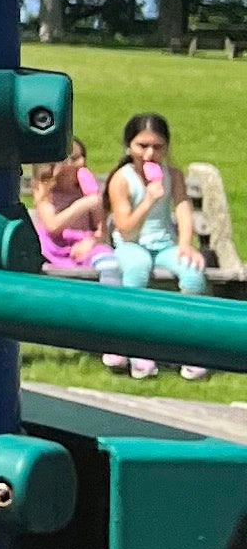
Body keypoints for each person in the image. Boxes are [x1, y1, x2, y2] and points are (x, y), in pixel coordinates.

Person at [97, 105, 209, 378]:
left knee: (193, 275)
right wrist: (148, 199)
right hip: (131, 244)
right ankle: (135, 347)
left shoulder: (174, 175)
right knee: (137, 268)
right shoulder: (121, 180)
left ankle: (188, 348)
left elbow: (182, 208)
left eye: (157, 147)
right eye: (142, 145)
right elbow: (125, 229)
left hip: (165, 245)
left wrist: (185, 244)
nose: (149, 154)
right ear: (128, 146)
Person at [27, 138, 108, 276]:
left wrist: (92, 242)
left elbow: (101, 230)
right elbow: (53, 226)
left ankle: (110, 295)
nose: (82, 163)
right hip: (52, 250)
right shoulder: (45, 191)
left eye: (83, 157)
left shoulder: (87, 192)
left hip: (84, 245)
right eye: (74, 159)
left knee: (109, 262)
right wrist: (83, 204)